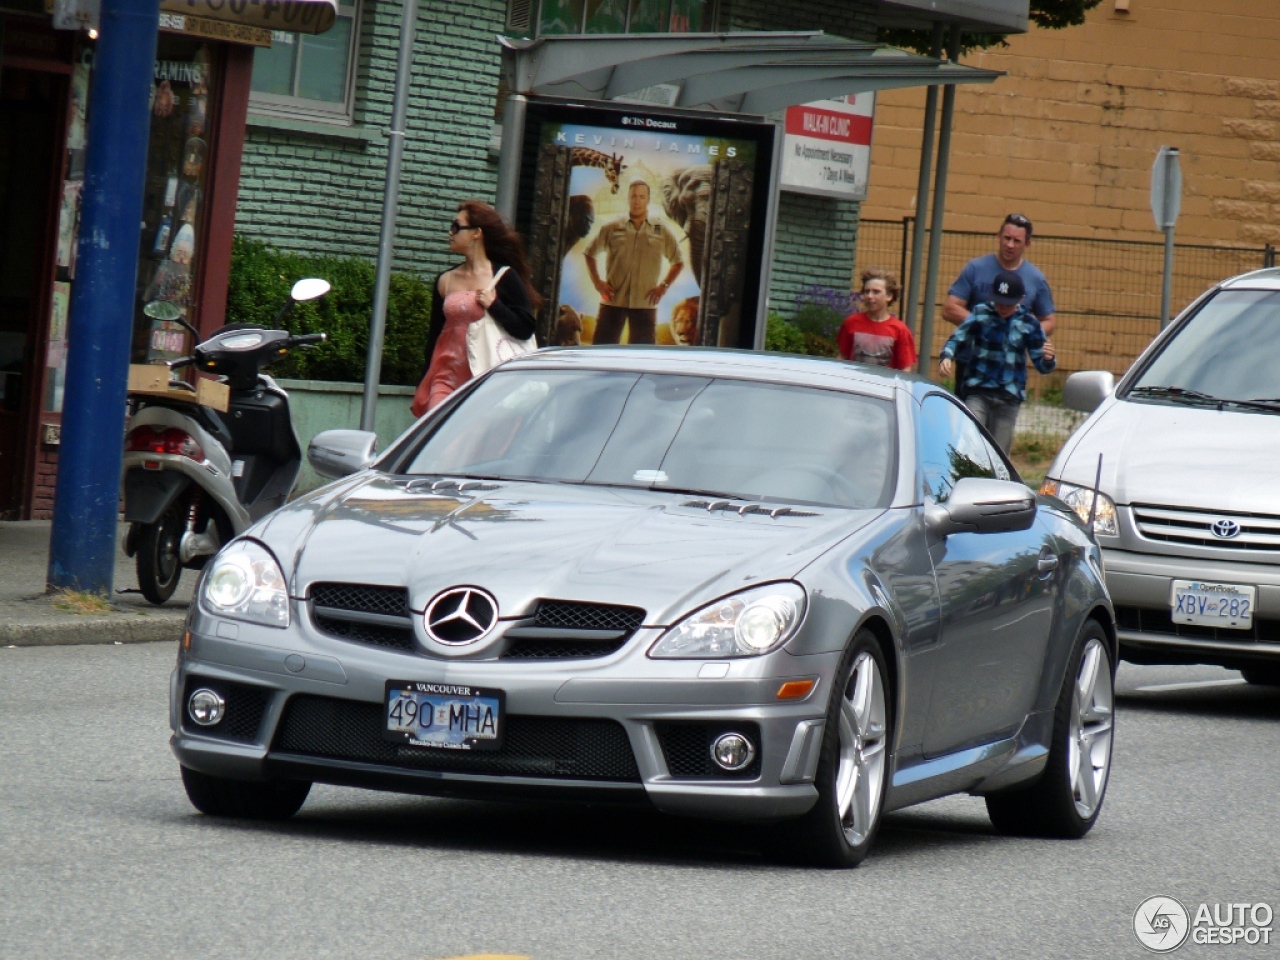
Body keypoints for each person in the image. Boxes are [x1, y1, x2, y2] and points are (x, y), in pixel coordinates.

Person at [412, 201, 540, 417]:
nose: (449, 232)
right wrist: (424, 380)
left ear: (476, 234)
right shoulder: (445, 280)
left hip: (484, 377)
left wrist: (495, 306)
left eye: (456, 227)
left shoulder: (504, 277)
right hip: (445, 377)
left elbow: (526, 327)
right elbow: (435, 336)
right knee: (438, 436)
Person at [938, 269, 1056, 453]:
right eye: (999, 302)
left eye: (1007, 304)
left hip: (1009, 396)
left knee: (999, 452)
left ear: (1020, 299)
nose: (1002, 307)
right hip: (979, 390)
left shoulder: (1029, 323)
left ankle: (995, 480)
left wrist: (1048, 359)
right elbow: (958, 338)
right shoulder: (981, 314)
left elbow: (1041, 363)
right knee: (969, 440)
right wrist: (947, 355)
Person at [942, 213, 1056, 398]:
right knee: (968, 421)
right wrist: (985, 325)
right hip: (973, 364)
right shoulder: (976, 268)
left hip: (1009, 370)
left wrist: (1021, 330)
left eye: (1016, 241)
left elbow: (1049, 321)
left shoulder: (1036, 279)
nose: (1010, 245)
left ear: (1027, 244)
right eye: (1007, 238)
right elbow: (949, 308)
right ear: (998, 236)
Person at [583, 180, 683, 345]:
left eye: (642, 197)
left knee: (642, 357)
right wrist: (597, 283)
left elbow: (678, 261)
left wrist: (663, 286)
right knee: (601, 351)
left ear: (648, 200)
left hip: (645, 304)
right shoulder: (612, 227)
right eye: (633, 196)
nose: (637, 201)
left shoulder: (661, 229)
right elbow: (589, 254)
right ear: (628, 199)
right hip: (612, 302)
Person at [836, 268, 917, 370]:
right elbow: (842, 357)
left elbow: (905, 369)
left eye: (876, 292)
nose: (870, 296)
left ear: (889, 296)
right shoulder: (851, 322)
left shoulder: (900, 330)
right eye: (867, 291)